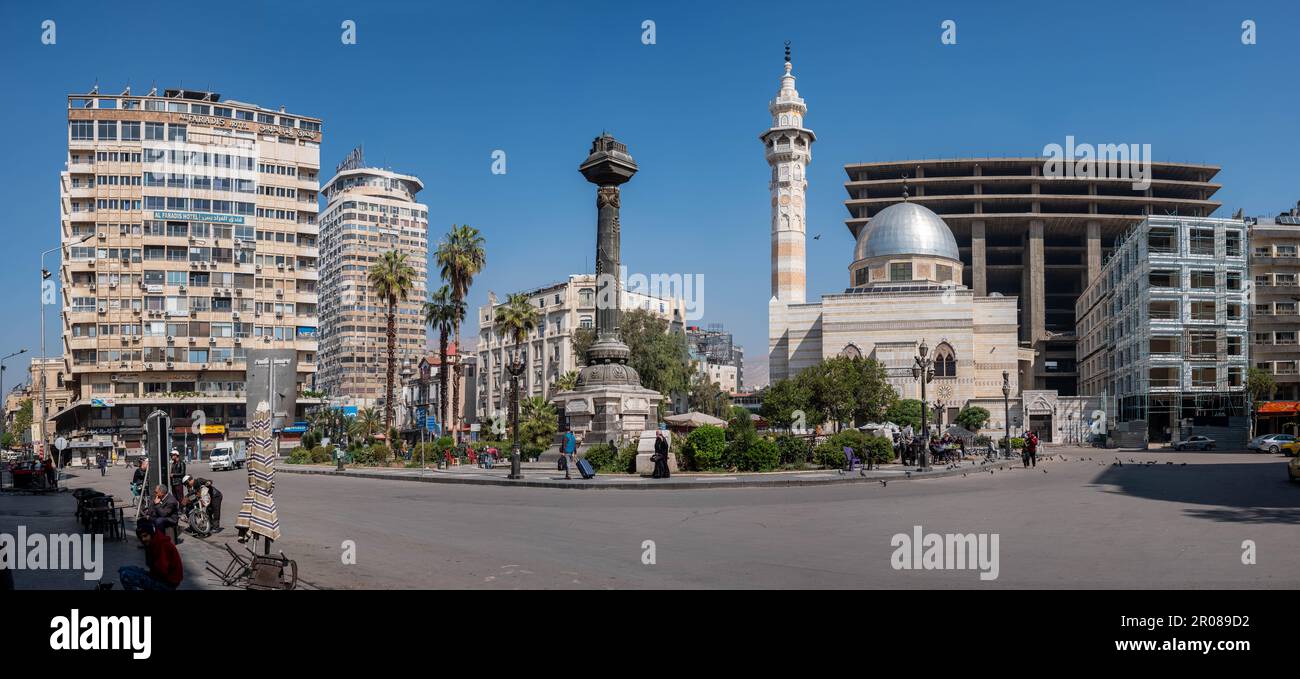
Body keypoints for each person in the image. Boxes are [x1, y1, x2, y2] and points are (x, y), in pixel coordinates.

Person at [118, 520, 183, 591]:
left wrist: (147, 579)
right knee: (123, 569)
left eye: (145, 536)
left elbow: (162, 570)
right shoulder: (152, 542)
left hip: (167, 583)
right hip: (158, 577)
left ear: (151, 534)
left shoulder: (161, 544)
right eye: (141, 537)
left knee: (125, 575)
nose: (143, 539)